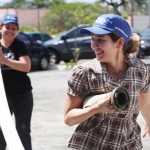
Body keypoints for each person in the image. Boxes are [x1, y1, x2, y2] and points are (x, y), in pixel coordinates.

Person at [64, 14, 150, 150]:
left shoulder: (141, 70)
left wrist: (149, 123)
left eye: (100, 40)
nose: (94, 45)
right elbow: (69, 118)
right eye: (92, 39)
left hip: (130, 145)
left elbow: (145, 104)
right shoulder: (84, 73)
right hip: (94, 145)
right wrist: (96, 108)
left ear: (120, 43)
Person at [0, 14, 33, 150]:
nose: (10, 31)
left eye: (14, 28)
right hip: (2, 98)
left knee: (22, 130)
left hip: (22, 95)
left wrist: (4, 61)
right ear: (1, 27)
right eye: (7, 27)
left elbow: (26, 67)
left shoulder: (20, 45)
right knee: (2, 133)